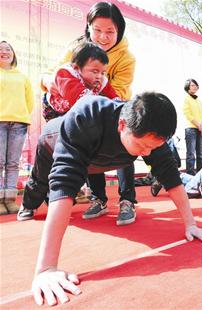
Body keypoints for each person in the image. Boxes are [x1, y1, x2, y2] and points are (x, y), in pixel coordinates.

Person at [18, 93, 202, 306]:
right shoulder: (87, 115)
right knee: (40, 183)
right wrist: (46, 268)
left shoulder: (149, 132)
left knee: (155, 159)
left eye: (153, 147)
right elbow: (64, 185)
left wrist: (191, 224)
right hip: (53, 142)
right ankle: (27, 206)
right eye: (142, 147)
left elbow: (171, 177)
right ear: (122, 125)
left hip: (99, 158)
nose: (148, 152)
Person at [40, 2, 137, 224]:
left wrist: (94, 96)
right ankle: (98, 198)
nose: (103, 37)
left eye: (110, 31)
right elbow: (52, 72)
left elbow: (119, 93)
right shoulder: (77, 48)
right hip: (81, 108)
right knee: (89, 145)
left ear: (119, 30)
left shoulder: (126, 58)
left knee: (125, 142)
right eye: (97, 30)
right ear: (88, 27)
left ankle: (127, 200)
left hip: (113, 107)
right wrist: (49, 81)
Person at [42, 41, 119, 121]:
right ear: (77, 68)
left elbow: (114, 98)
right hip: (55, 111)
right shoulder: (65, 74)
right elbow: (82, 100)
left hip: (75, 108)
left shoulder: (101, 79)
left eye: (103, 72)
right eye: (95, 72)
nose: (99, 76)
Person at [0, 41, 34, 215]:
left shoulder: (22, 76)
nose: (4, 52)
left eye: (8, 49)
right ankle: (0, 201)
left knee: (13, 164)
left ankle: (10, 200)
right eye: (0, 49)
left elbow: (29, 101)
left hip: (18, 124)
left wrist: (21, 117)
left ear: (13, 54)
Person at [183, 78, 202, 175]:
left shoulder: (199, 100)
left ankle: (200, 175)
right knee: (191, 154)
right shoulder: (186, 99)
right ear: (188, 87)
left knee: (200, 154)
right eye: (192, 85)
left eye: (196, 85)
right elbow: (188, 115)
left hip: (201, 129)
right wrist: (199, 125)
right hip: (191, 129)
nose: (195, 87)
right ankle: (190, 176)